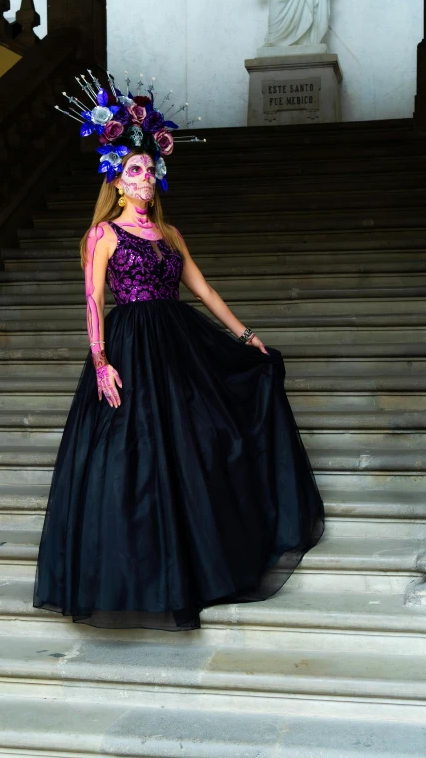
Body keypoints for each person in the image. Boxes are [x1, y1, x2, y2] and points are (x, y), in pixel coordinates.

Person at [33, 71, 325, 631]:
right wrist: (100, 362)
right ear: (115, 179)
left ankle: (206, 561)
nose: (143, 178)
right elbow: (93, 301)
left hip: (180, 345)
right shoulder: (103, 235)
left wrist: (244, 336)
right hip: (129, 345)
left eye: (149, 169)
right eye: (133, 170)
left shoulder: (171, 236)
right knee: (131, 461)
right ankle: (137, 574)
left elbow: (206, 290)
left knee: (206, 443)